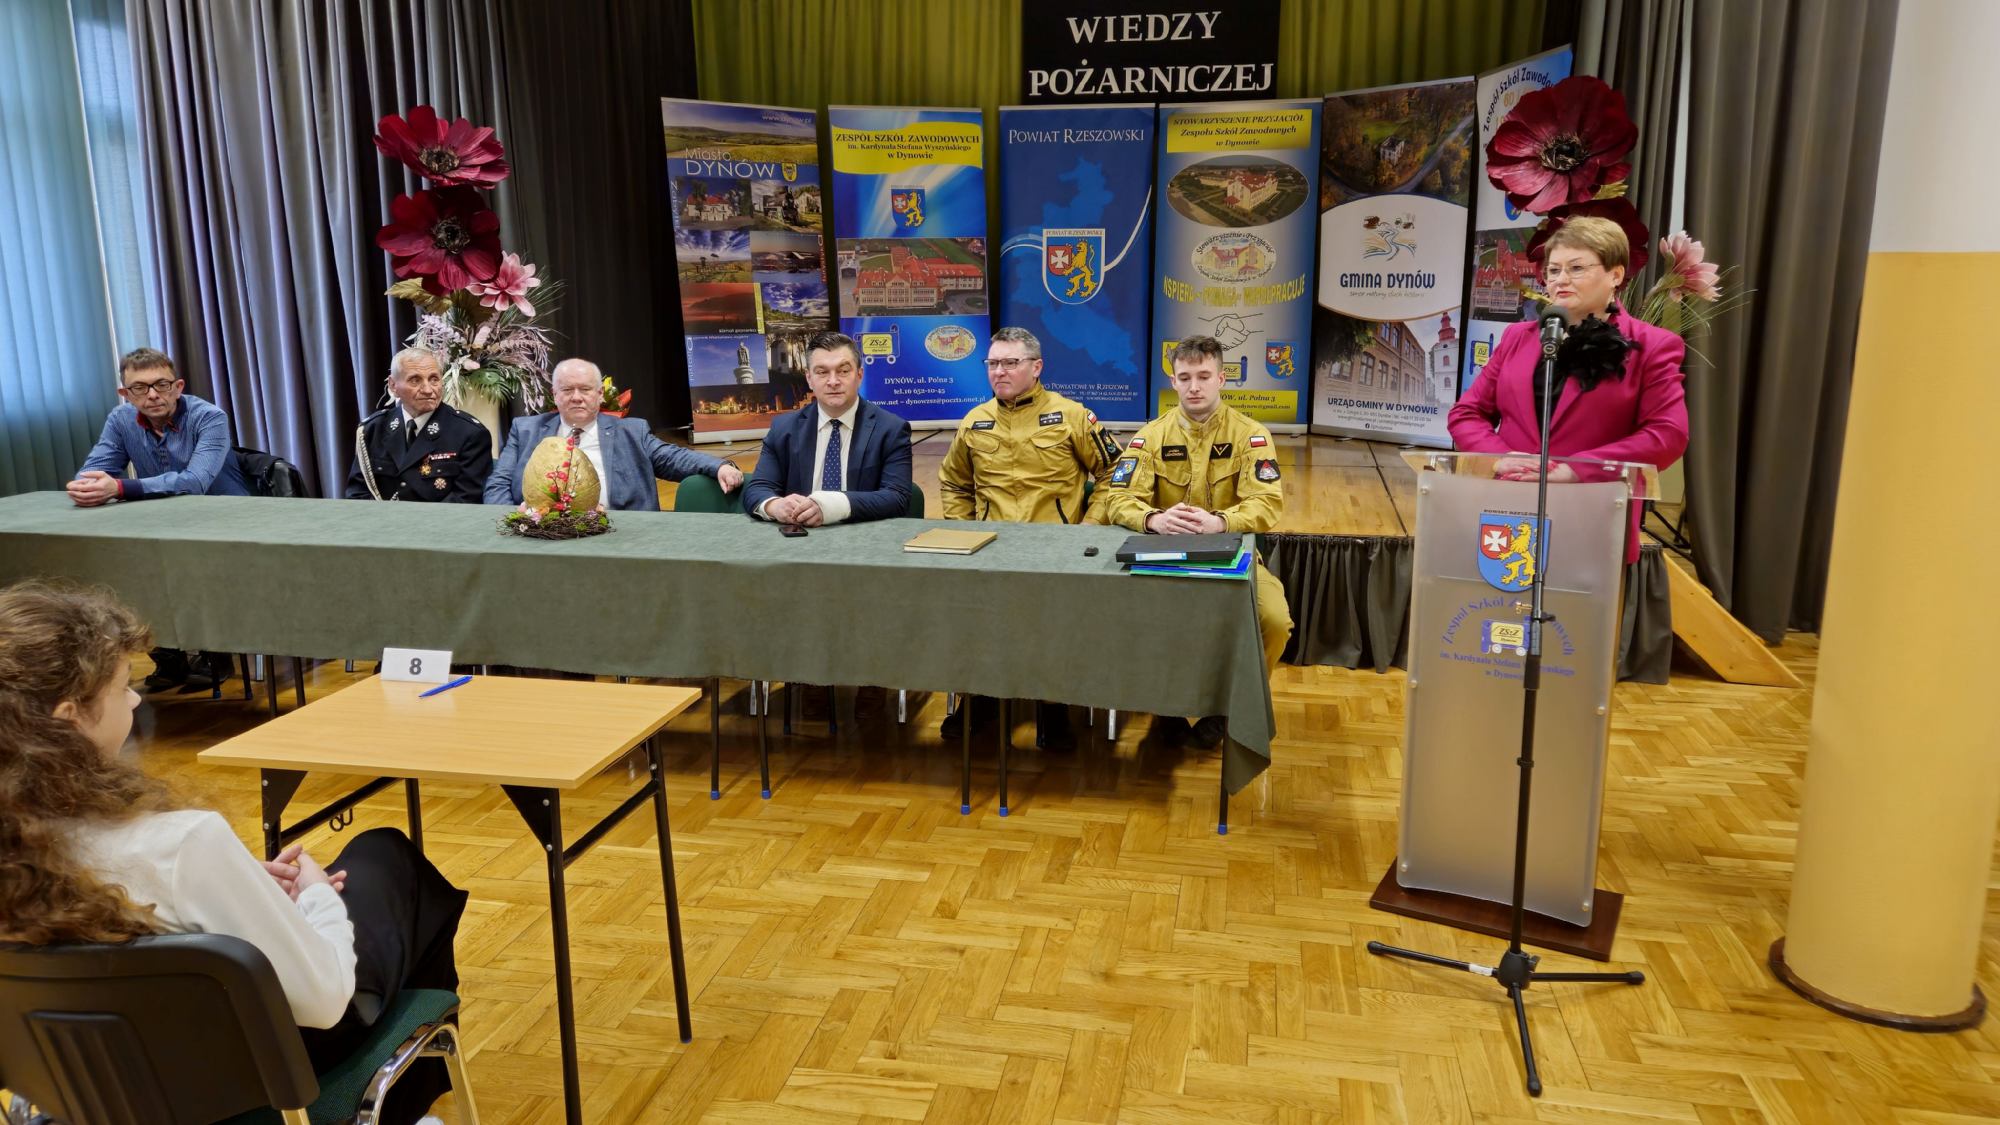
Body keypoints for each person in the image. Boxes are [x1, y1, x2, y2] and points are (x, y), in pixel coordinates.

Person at [0, 581, 466, 1125]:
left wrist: (235, 888)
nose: (135, 699)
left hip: (74, 1085)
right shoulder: (181, 843)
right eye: (123, 687)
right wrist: (318, 898)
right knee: (387, 859)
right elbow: (322, 1002)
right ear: (68, 718)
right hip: (238, 1081)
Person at [1088, 334, 1294, 748]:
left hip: (1229, 555)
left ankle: (1228, 710)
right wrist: (1154, 519)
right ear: (1173, 381)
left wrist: (1221, 521)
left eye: (1203, 376)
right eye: (1185, 378)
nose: (1194, 386)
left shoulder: (1251, 436)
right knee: (1141, 617)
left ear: (1221, 378)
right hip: (1164, 557)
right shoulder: (1151, 436)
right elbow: (1118, 498)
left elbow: (1268, 503)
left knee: (1274, 621)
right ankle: (1166, 706)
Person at [1446, 215, 1689, 564]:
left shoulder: (1653, 345)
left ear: (1615, 275)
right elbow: (1467, 413)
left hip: (1591, 517)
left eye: (1576, 268)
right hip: (1505, 512)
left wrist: (1578, 469)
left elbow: (1668, 434)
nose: (1560, 279)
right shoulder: (1517, 338)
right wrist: (1501, 457)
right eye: (1554, 270)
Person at [937, 326, 1120, 750]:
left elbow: (1115, 472)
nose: (999, 371)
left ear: (1036, 367)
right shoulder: (975, 421)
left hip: (1055, 549)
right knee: (976, 618)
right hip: (990, 549)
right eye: (993, 363)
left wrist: (1091, 525)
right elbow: (954, 482)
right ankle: (980, 699)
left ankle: (1053, 707)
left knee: (1052, 625)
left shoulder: (1073, 416)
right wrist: (965, 530)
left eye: (1010, 363)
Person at [69, 347, 249, 693]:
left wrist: (119, 487)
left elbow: (195, 482)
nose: (152, 395)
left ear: (178, 387)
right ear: (126, 393)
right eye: (140, 388)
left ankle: (216, 654)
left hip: (222, 519)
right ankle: (167, 656)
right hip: (160, 520)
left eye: (161, 385)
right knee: (127, 564)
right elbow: (93, 470)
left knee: (192, 565)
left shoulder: (210, 417)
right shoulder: (120, 420)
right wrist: (86, 486)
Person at [486, 358, 743, 510]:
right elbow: (498, 484)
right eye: (567, 390)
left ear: (600, 395)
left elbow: (673, 458)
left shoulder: (632, 431)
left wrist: (719, 466)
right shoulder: (525, 430)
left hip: (621, 533)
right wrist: (516, 520)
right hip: (543, 535)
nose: (576, 397)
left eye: (585, 389)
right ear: (555, 395)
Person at [742, 331, 913, 525]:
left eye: (843, 371)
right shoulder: (783, 429)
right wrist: (775, 506)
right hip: (801, 535)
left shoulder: (891, 430)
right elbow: (757, 489)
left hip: (862, 534)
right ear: (809, 379)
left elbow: (897, 497)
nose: (833, 382)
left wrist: (833, 506)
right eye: (822, 372)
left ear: (859, 375)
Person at [345, 347, 493, 503]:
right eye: (415, 380)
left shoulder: (469, 433)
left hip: (442, 519)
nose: (428, 390)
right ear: (393, 386)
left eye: (434, 379)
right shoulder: (373, 429)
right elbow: (357, 494)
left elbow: (466, 499)